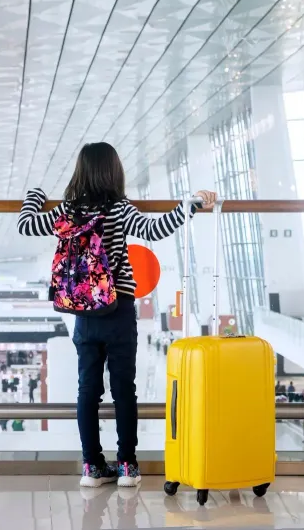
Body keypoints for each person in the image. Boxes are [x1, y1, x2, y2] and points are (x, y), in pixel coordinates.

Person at [18, 141, 216, 489]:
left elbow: (26, 226)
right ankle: (127, 466)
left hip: (82, 311)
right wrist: (192, 204)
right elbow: (155, 229)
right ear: (114, 171)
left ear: (80, 172)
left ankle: (92, 468)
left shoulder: (68, 211)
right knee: (124, 389)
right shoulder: (119, 208)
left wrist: (35, 195)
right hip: (118, 308)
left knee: (87, 391)